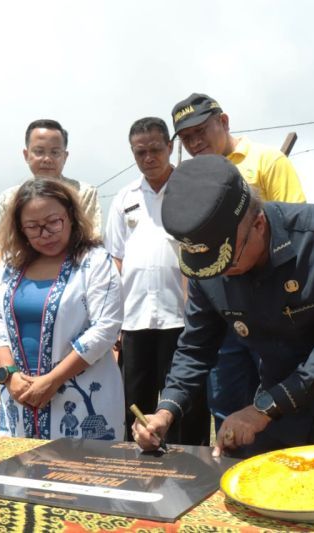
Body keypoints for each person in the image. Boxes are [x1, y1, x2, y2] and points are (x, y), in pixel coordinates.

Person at [133, 156, 314, 458]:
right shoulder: (208, 267)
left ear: (258, 224)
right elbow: (196, 347)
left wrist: (262, 409)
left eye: (228, 262)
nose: (220, 275)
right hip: (282, 403)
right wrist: (166, 410)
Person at [171, 93, 306, 434]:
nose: (194, 142)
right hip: (222, 309)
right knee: (226, 401)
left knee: (277, 398)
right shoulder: (189, 181)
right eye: (186, 138)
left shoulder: (267, 161)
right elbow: (191, 250)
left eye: (200, 131)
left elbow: (294, 228)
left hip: (271, 308)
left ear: (224, 121)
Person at [0, 179, 124, 440]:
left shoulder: (95, 262)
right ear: (20, 229)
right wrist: (10, 375)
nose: (45, 234)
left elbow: (105, 328)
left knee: (79, 466)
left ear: (71, 216)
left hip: (82, 400)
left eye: (53, 222)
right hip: (19, 397)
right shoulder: (9, 266)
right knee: (20, 465)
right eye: (33, 227)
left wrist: (53, 380)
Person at [105, 117, 207, 445]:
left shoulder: (190, 190)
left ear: (170, 147)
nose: (148, 158)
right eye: (140, 152)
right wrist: (115, 319)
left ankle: (191, 464)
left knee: (187, 404)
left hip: (181, 318)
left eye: (155, 149)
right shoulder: (124, 198)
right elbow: (116, 258)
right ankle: (139, 465)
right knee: (135, 403)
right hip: (135, 319)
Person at [0, 119, 102, 262]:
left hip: (73, 270)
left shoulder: (84, 193)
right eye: (39, 152)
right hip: (22, 271)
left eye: (55, 152)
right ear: (26, 155)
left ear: (65, 157)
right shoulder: (9, 197)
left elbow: (91, 239)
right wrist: (6, 273)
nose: (47, 159)